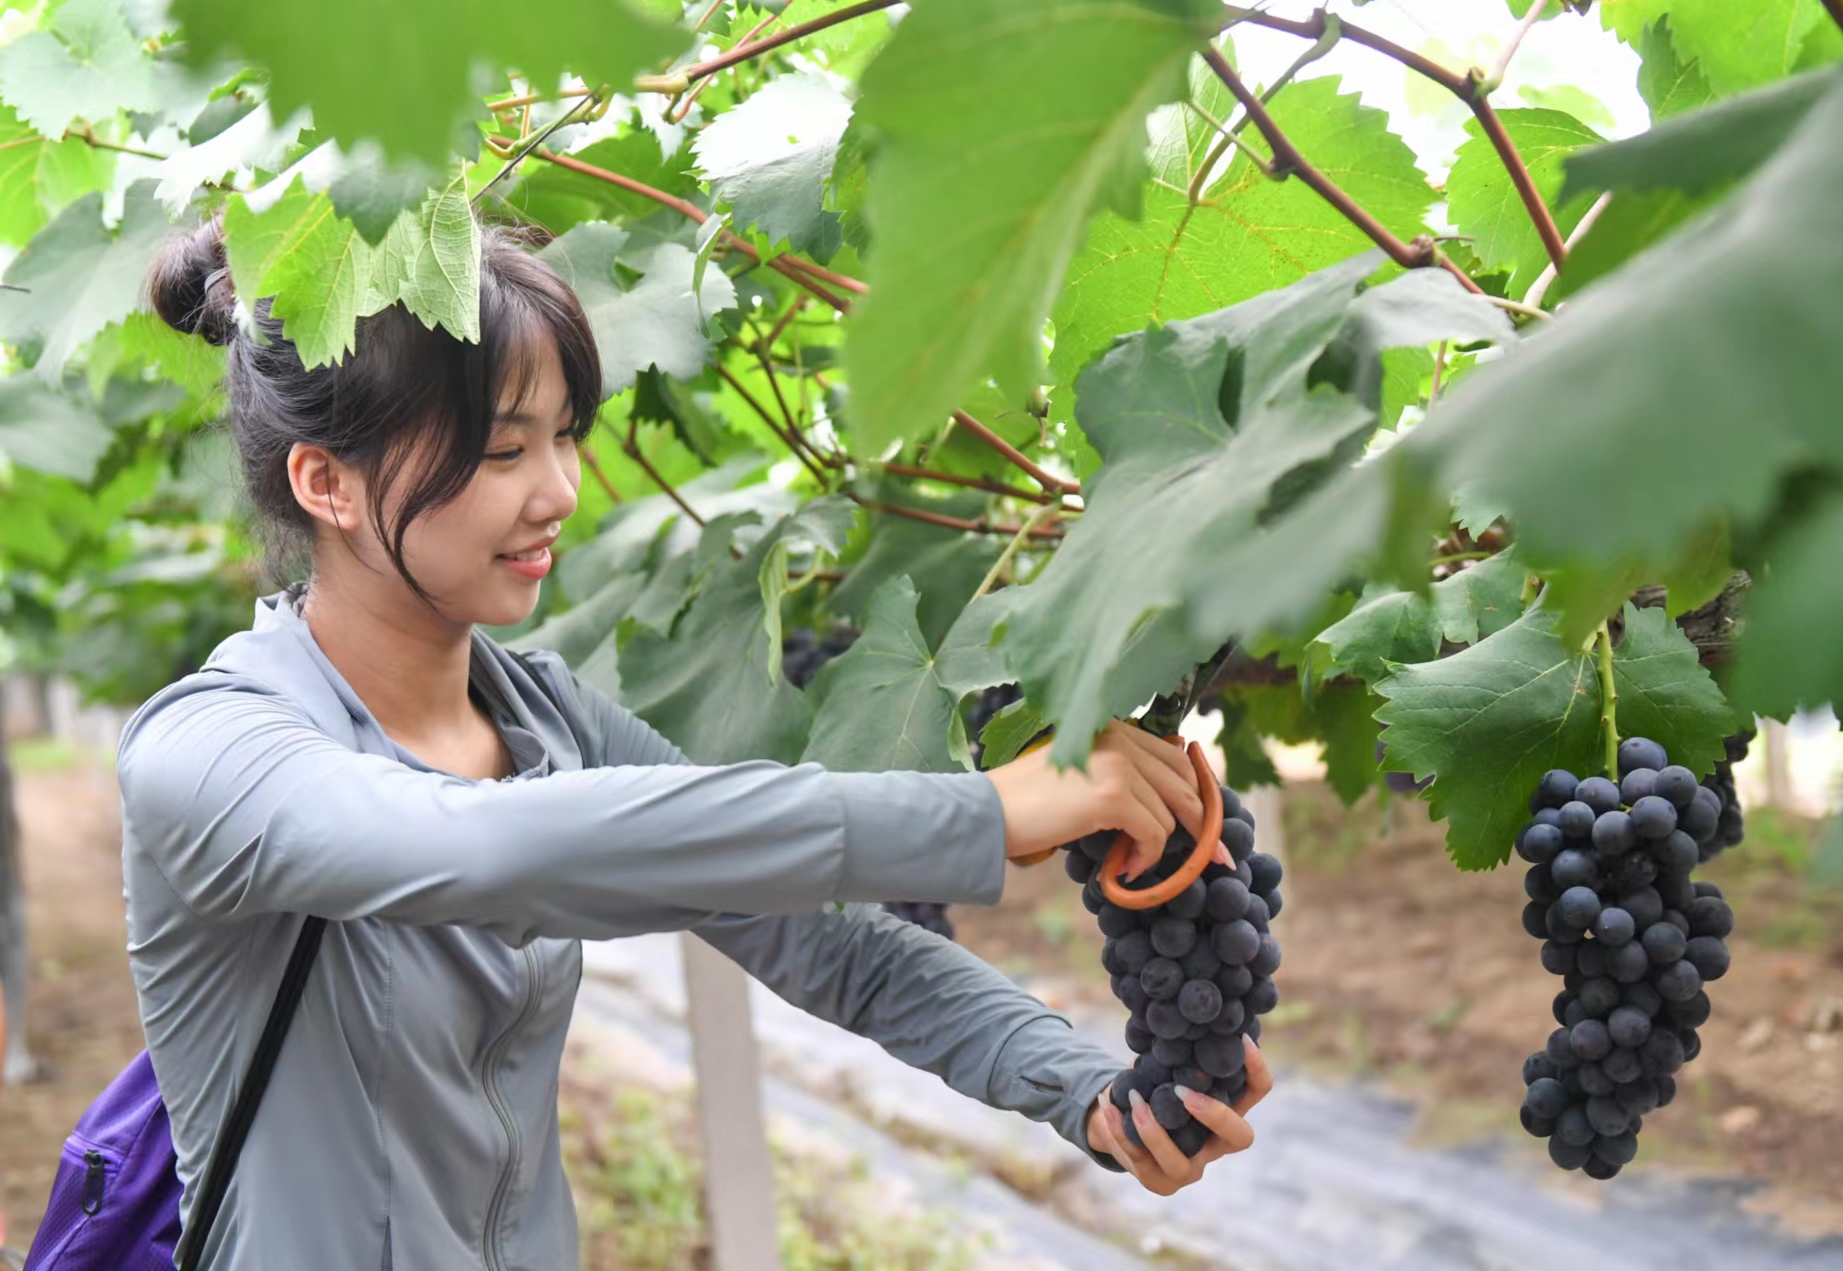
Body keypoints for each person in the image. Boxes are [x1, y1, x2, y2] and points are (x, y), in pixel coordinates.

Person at [122, 221, 1271, 1269]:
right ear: (325, 482)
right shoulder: (209, 752)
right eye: (501, 449)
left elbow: (832, 945)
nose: (560, 490)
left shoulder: (543, 715)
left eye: (564, 436)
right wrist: (984, 812)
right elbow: (485, 853)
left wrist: (1082, 1090)